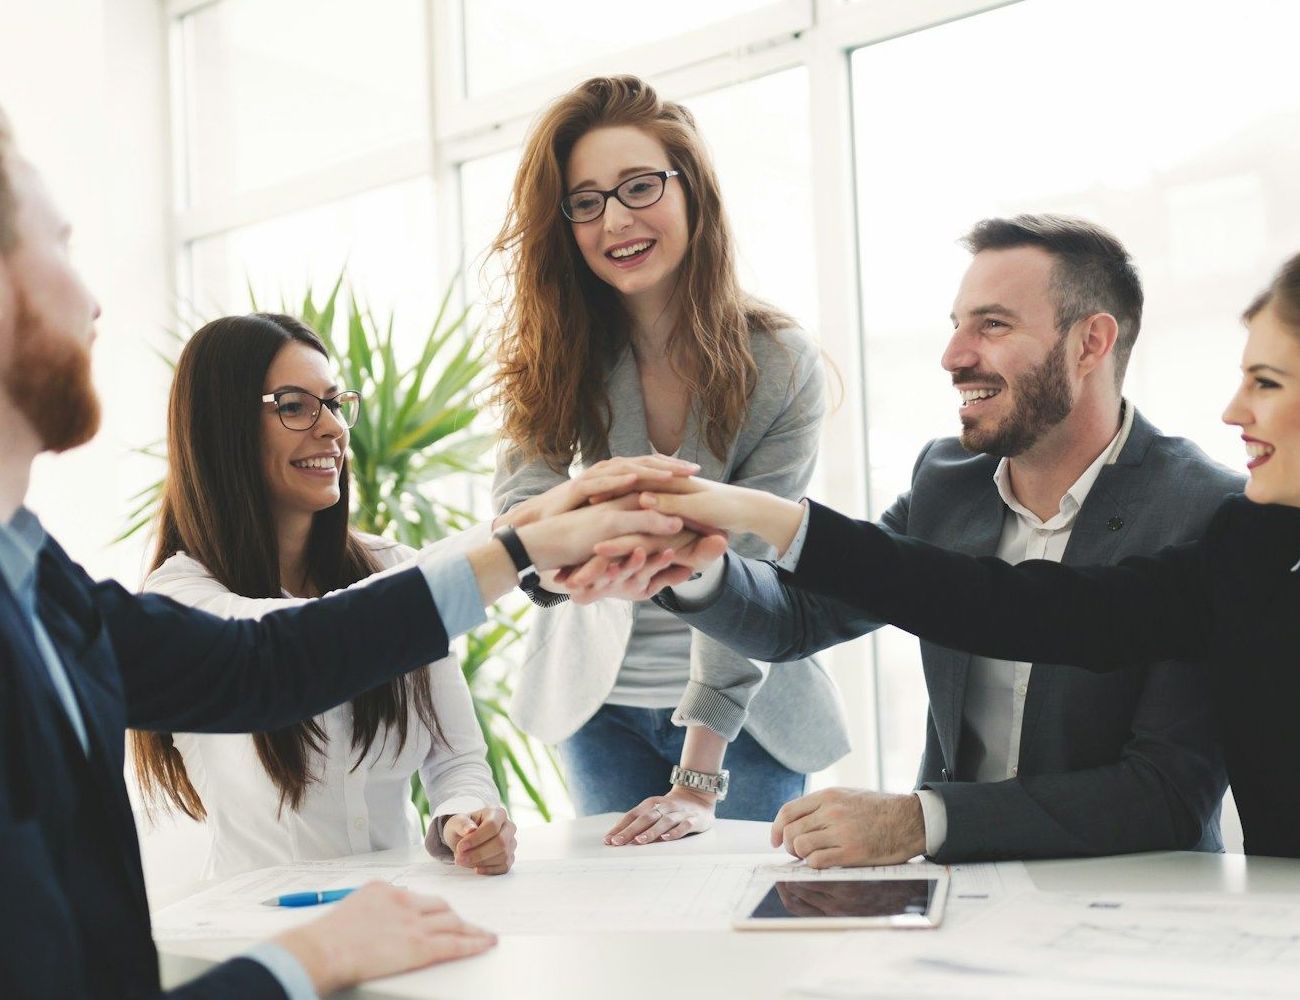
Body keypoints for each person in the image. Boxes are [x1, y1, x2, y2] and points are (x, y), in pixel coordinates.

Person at [0, 108, 687, 999]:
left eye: (334, 402)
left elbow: (275, 666)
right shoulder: (165, 591)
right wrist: (307, 958)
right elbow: (273, 651)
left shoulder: (39, 583)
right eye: (58, 243)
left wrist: (526, 545)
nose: (94, 300)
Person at [623, 251, 1300, 861]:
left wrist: (920, 821)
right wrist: (711, 547)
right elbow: (1012, 607)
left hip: (1135, 897)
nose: (952, 355)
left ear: (1091, 342)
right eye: (957, 323)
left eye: (994, 325)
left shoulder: (1210, 511)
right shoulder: (949, 481)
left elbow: (1163, 793)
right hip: (958, 895)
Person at [488, 74, 848, 843]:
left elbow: (755, 565)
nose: (614, 219)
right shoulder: (554, 353)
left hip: (749, 718)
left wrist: (697, 776)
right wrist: (570, 553)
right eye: (585, 201)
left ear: (693, 193)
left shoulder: (778, 361)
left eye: (638, 187)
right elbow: (521, 506)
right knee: (629, 944)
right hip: (599, 708)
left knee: (744, 938)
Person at [130, 313, 513, 880]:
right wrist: (514, 549)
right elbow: (288, 644)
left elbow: (456, 758)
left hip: (400, 913)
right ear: (223, 428)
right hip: (267, 934)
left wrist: (464, 819)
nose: (332, 427)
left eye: (334, 402)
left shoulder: (392, 569)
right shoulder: (183, 599)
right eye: (293, 406)